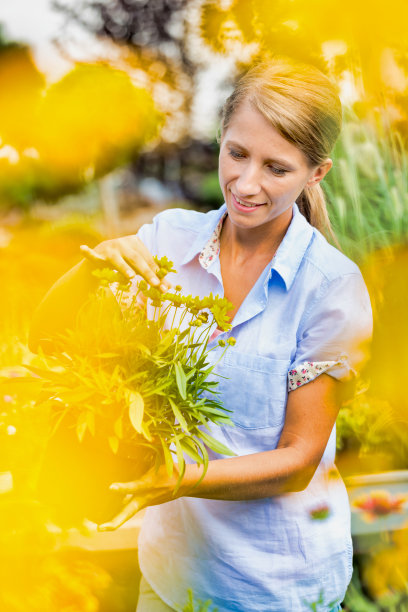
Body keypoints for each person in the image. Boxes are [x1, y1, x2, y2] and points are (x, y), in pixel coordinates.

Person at [30, 57, 373, 611]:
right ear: (220, 139)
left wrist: (178, 478)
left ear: (317, 174)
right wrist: (92, 269)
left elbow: (298, 458)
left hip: (274, 590)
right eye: (236, 153)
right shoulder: (168, 241)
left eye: (276, 168)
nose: (246, 183)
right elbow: (47, 337)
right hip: (170, 578)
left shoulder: (330, 288)